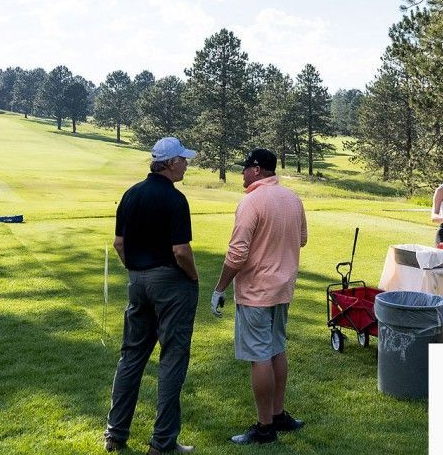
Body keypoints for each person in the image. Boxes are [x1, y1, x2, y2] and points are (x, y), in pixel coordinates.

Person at [105, 137, 200, 454]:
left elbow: (120, 244)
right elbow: (181, 251)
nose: (187, 164)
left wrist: (135, 270)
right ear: (171, 163)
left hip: (138, 281)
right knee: (172, 358)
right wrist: (193, 276)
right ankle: (163, 442)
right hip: (170, 283)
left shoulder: (131, 194)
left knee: (131, 356)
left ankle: (115, 434)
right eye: (183, 160)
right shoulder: (175, 200)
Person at [211, 148, 309, 445]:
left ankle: (265, 427)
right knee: (277, 348)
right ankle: (278, 415)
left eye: (245, 169)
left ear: (256, 170)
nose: (242, 173)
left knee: (260, 356)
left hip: (256, 291)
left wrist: (219, 288)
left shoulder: (252, 201)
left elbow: (237, 252)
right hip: (283, 289)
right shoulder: (292, 198)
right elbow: (301, 239)